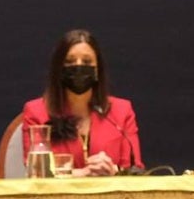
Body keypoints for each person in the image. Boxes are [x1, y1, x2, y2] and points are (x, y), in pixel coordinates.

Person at [21, 28, 143, 176]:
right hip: (60, 198)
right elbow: (37, 172)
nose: (78, 66)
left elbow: (135, 170)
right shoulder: (36, 112)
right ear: (59, 69)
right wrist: (83, 173)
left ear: (97, 70)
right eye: (70, 61)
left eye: (87, 61)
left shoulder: (122, 111)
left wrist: (113, 170)